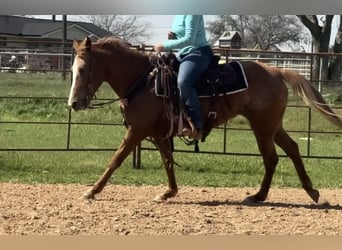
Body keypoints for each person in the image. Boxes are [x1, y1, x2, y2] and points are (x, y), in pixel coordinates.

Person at [154, 15, 213, 140]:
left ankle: (196, 125)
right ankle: (169, 119)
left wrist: (165, 45)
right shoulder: (178, 15)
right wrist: (173, 38)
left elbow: (190, 40)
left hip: (198, 52)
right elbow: (182, 39)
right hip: (182, 54)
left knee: (184, 82)